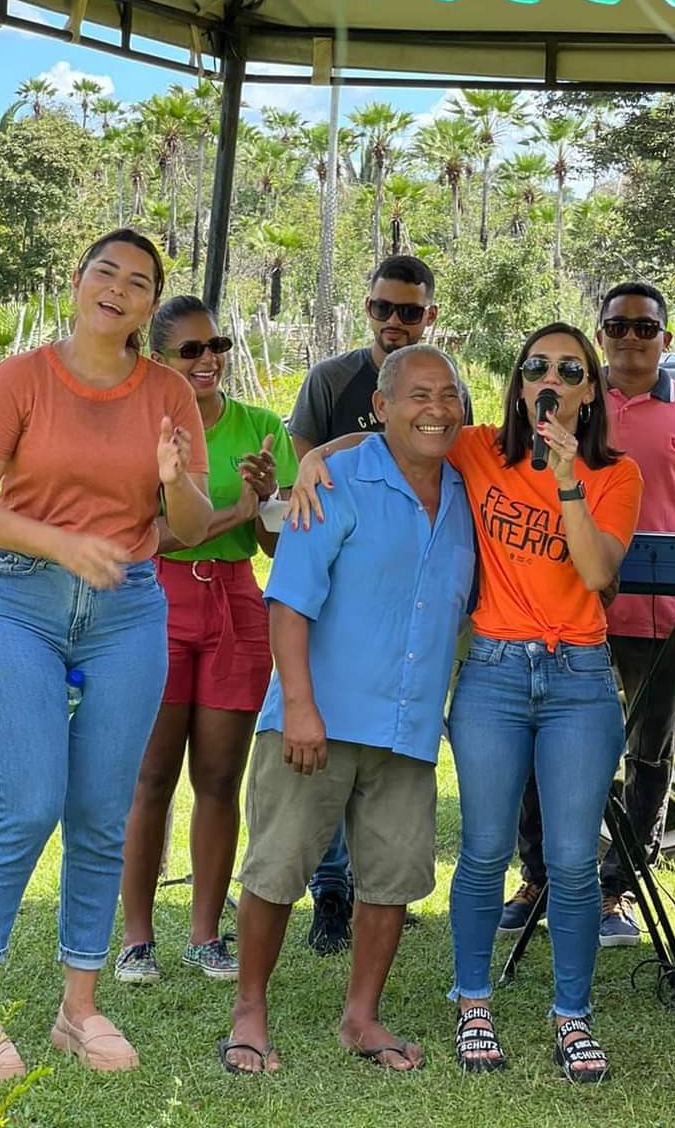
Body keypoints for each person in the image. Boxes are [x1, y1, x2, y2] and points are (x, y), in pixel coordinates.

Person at [291, 323, 642, 1083]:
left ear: (591, 389)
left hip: (579, 678)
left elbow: (596, 570)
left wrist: (568, 474)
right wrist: (317, 455)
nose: (551, 379)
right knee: (483, 850)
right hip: (493, 673)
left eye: (570, 370)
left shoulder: (617, 475)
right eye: (536, 367)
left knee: (575, 862)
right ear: (519, 384)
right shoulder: (479, 449)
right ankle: (472, 1001)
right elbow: (396, 441)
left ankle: (571, 1016)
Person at [0, 230, 212, 1079]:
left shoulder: (169, 392)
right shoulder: (19, 380)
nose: (119, 289)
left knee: (102, 814)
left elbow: (196, 527)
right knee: (27, 804)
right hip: (16, 602)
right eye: (106, 272)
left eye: (139, 283)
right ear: (77, 281)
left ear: (146, 307)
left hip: (127, 611)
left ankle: (78, 1009)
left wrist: (171, 479)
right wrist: (61, 546)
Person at [219, 345, 475, 1074]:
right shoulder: (334, 481)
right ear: (382, 408)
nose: (436, 407)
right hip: (318, 722)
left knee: (390, 880)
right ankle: (249, 1013)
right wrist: (298, 704)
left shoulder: (463, 492)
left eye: (449, 394)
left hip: (409, 726)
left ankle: (361, 1017)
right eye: (418, 394)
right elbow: (290, 601)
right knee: (277, 869)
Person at [500, 283, 675, 947]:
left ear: (667, 338)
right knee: (542, 748)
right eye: (618, 326)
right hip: (566, 613)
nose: (631, 338)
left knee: (649, 755)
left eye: (645, 328)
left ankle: (615, 890)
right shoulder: (572, 401)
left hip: (659, 622)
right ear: (599, 335)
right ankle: (536, 877)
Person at [287, 253, 470, 955]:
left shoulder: (445, 385)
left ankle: (369, 891)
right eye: (383, 309)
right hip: (338, 579)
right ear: (366, 309)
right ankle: (329, 892)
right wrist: (315, 459)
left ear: (431, 314)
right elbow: (310, 466)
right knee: (327, 742)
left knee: (389, 750)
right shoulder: (331, 379)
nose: (396, 322)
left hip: (416, 585)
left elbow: (442, 450)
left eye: (411, 311)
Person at [116, 296, 297, 985]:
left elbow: (276, 543)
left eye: (216, 345)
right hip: (154, 600)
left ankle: (203, 935)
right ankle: (136, 940)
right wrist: (234, 509)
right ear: (159, 357)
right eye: (189, 350)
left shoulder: (259, 427)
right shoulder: (146, 427)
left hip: (235, 603)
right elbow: (142, 535)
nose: (207, 359)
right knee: (151, 778)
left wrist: (271, 496)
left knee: (219, 780)